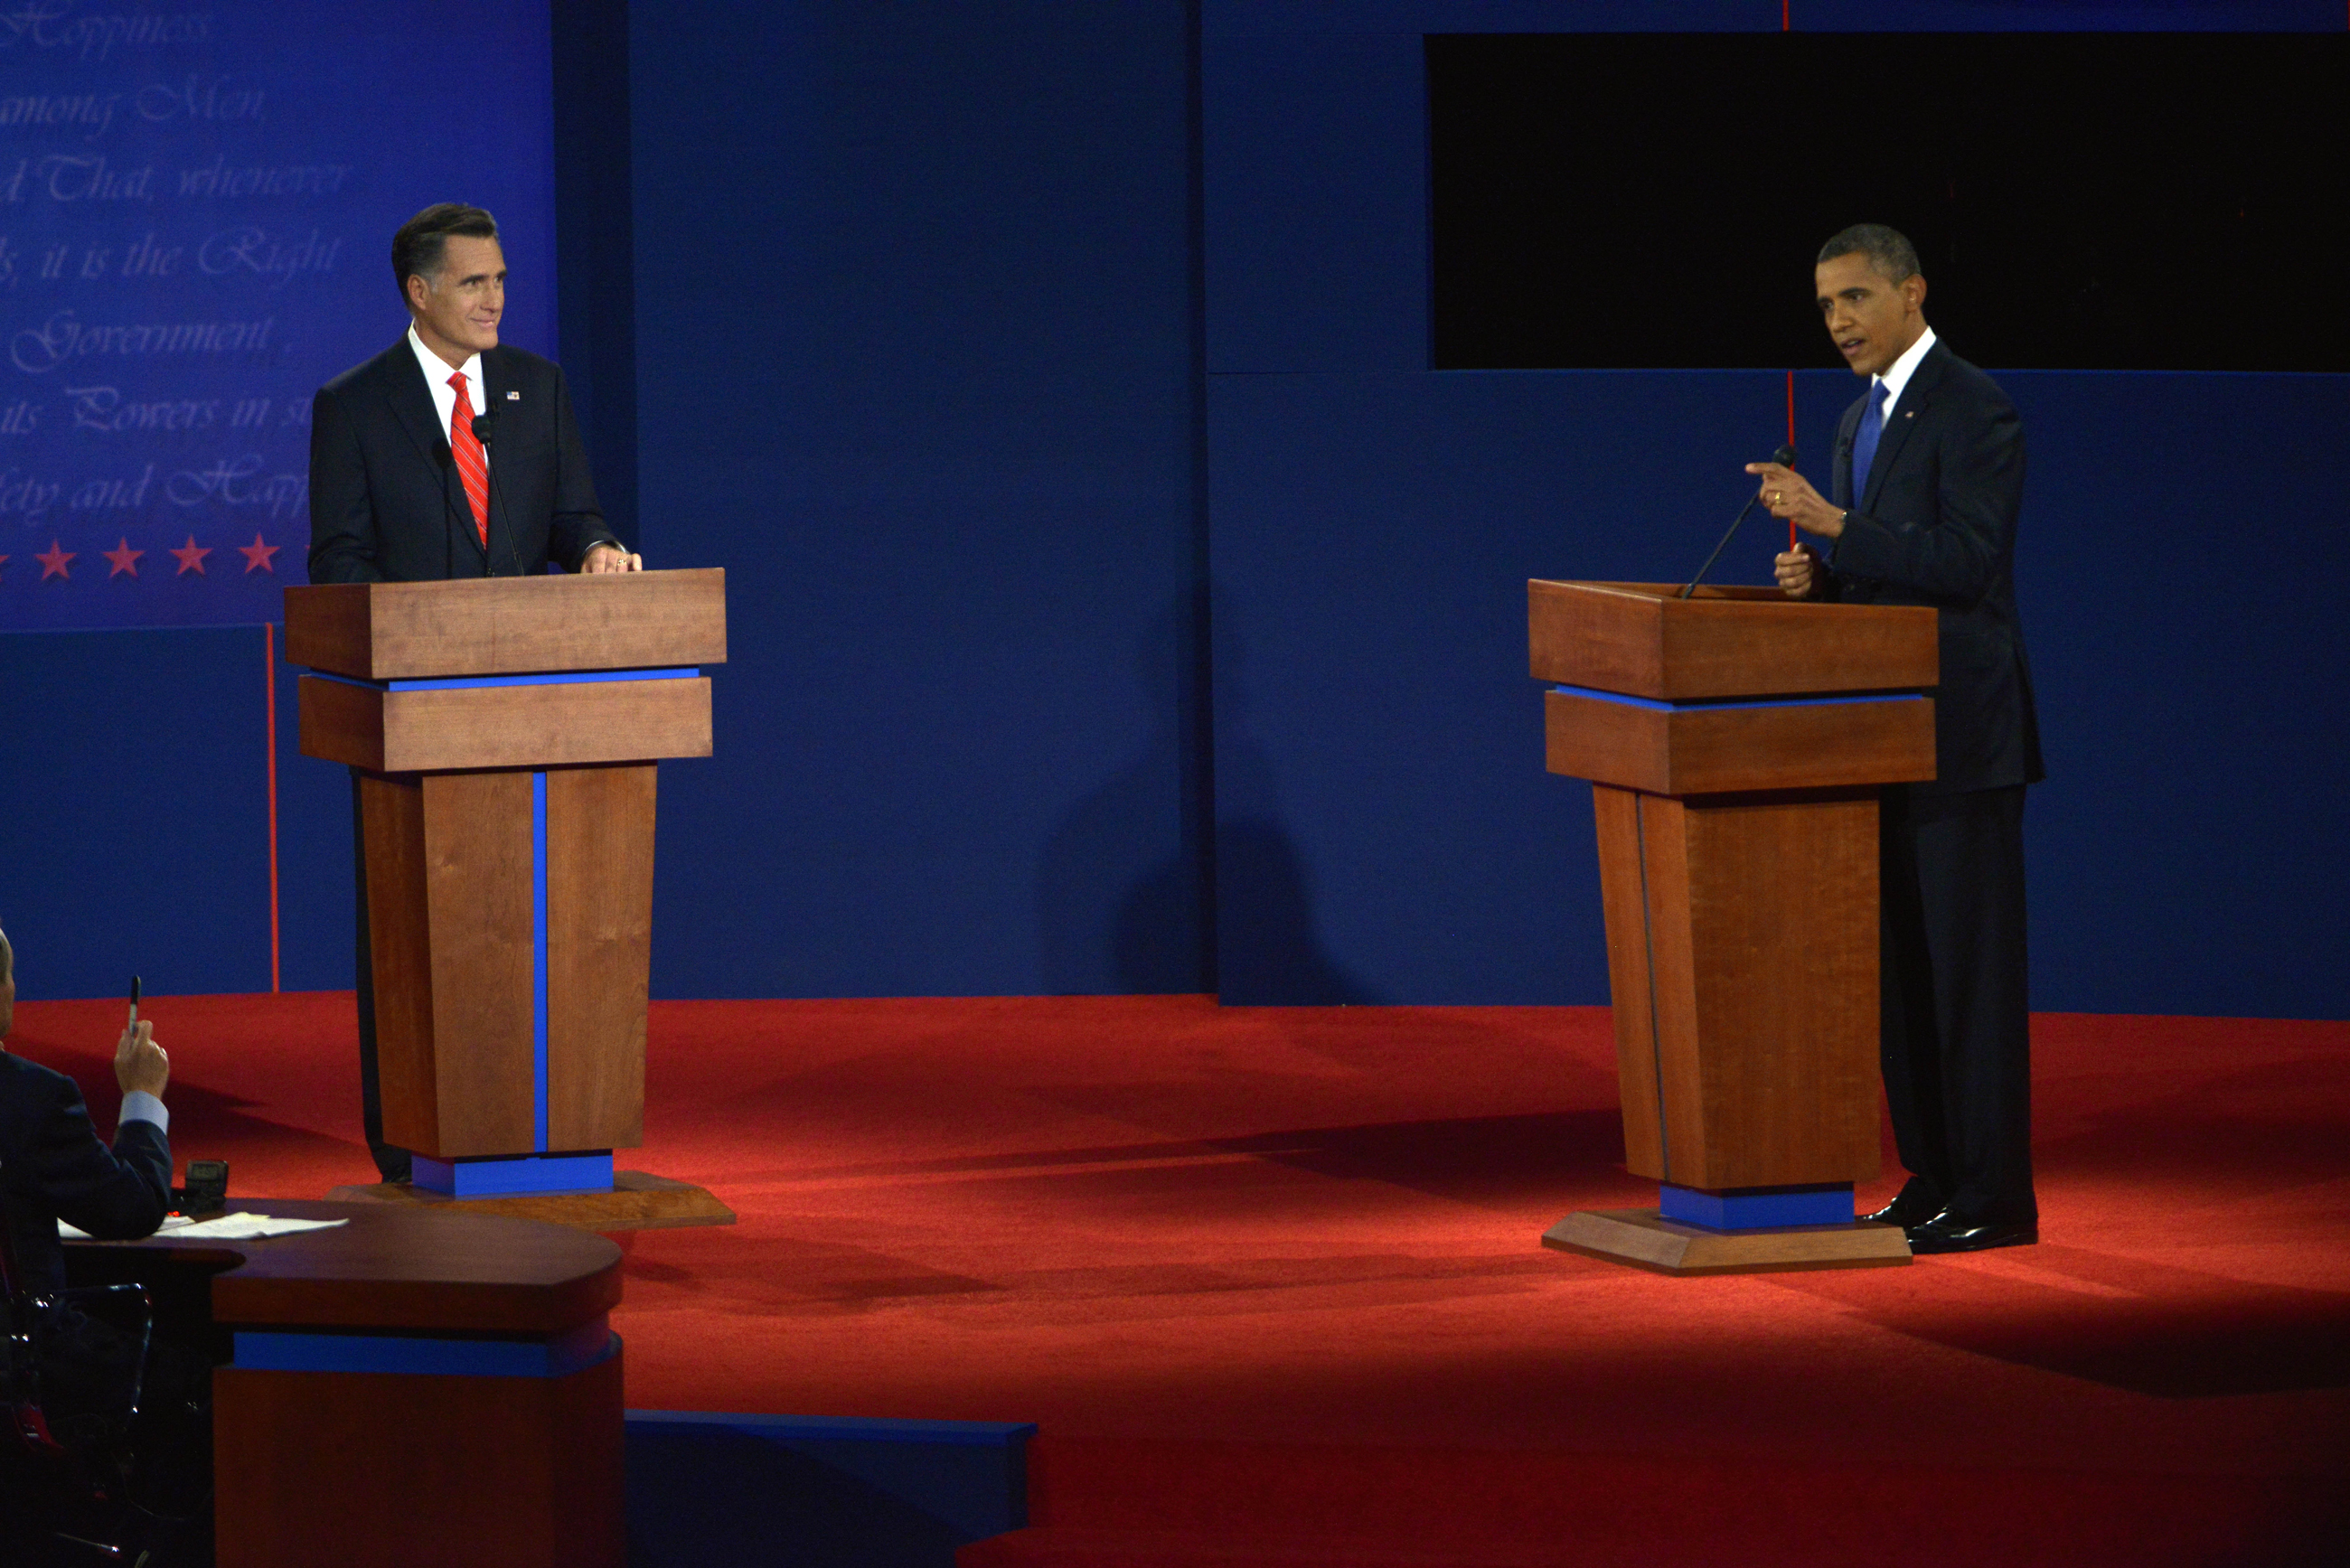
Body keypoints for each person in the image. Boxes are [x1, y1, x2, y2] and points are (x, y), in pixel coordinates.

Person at [306, 203, 643, 1183]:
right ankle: (410, 1140)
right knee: (415, 930)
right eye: (472, 282)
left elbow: (573, 517)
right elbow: (339, 561)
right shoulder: (355, 405)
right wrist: (418, 635)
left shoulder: (538, 387)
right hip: (413, 714)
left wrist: (597, 549)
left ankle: (551, 1129)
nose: (494, 298)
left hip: (535, 708)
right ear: (420, 292)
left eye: (499, 280)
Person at [1745, 224, 2044, 1255]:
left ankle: (1994, 1194)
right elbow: (1885, 571)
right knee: (1902, 980)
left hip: (1959, 737)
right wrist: (1820, 581)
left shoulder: (1974, 406)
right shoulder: (1852, 421)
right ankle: (1932, 1175)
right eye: (1826, 306)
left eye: (1856, 299)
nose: (1838, 322)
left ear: (1911, 293)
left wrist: (1837, 527)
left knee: (1967, 980)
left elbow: (1967, 559)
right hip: (1875, 732)